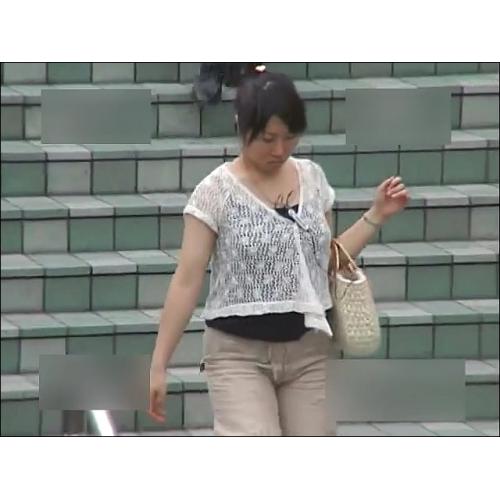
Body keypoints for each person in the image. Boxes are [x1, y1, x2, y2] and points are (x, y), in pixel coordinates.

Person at [149, 69, 409, 436]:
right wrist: (159, 364)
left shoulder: (312, 178)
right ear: (241, 127)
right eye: (268, 138)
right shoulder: (215, 192)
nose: (279, 150)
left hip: (309, 351)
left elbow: (324, 261)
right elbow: (187, 281)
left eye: (289, 137)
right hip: (237, 354)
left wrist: (376, 215)